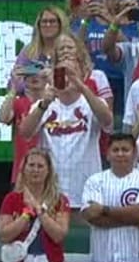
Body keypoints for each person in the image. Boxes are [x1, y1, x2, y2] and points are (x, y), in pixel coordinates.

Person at [18, 57, 115, 211]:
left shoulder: (93, 103)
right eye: (61, 73)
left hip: (86, 189)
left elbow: (107, 122)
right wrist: (43, 104)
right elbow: (25, 133)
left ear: (82, 76)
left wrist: (82, 87)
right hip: (50, 191)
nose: (66, 78)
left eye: (71, 73)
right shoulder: (42, 104)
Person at [83, 131, 139, 262]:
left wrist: (104, 209)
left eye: (125, 150)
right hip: (102, 261)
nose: (120, 154)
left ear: (134, 153)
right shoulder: (94, 180)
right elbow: (91, 215)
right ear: (107, 154)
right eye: (115, 150)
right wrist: (133, 219)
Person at [0, 147, 72, 262]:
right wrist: (26, 215)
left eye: (40, 166)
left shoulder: (60, 200)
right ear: (24, 169)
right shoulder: (11, 199)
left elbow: (59, 235)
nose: (35, 170)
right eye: (31, 165)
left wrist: (39, 209)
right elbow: (4, 235)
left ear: (48, 170)